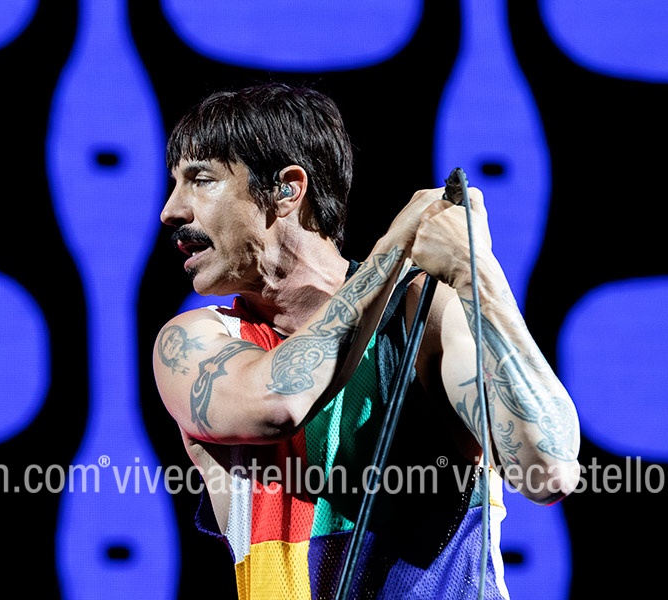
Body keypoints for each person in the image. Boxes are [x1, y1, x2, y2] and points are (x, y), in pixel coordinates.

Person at [152, 82, 580, 599]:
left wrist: (477, 273)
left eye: (200, 180)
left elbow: (549, 472)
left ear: (286, 189)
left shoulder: (423, 312)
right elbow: (278, 404)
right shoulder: (195, 340)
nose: (170, 211)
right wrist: (393, 251)